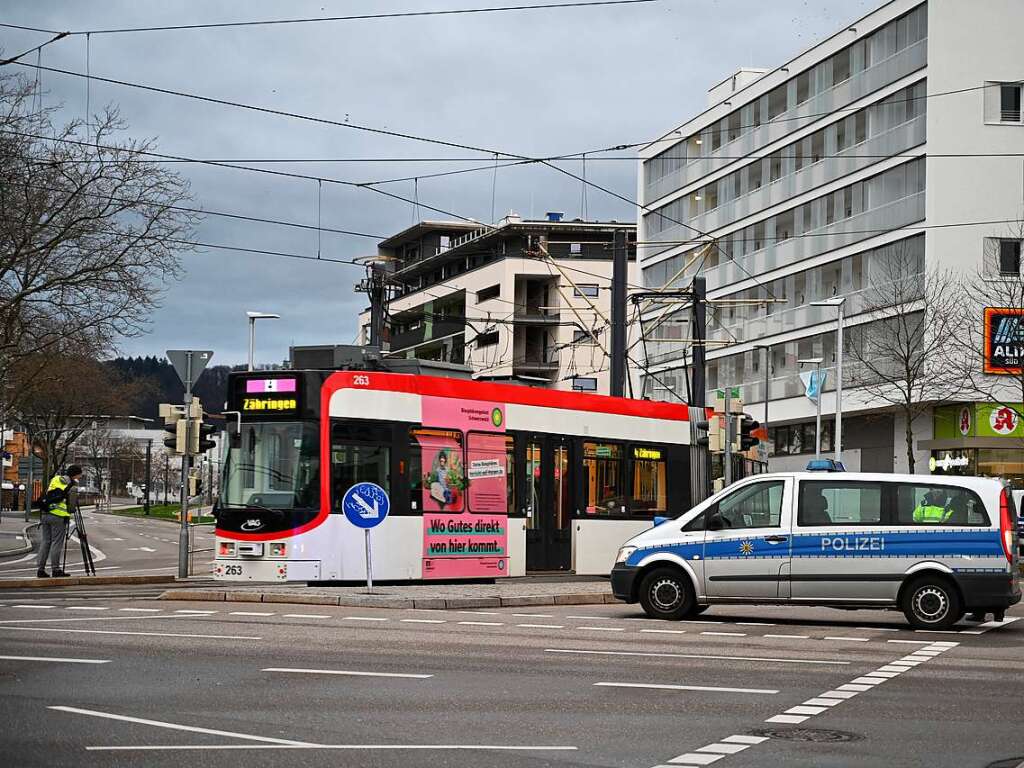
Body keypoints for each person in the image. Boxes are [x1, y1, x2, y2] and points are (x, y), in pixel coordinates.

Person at [36, 465, 82, 578]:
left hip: (45, 513)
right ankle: (55, 569)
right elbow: (71, 507)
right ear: (75, 474)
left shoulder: (56, 479)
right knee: (56, 542)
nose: (80, 477)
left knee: (45, 542)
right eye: (79, 475)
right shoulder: (71, 485)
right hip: (58, 516)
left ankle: (40, 569)